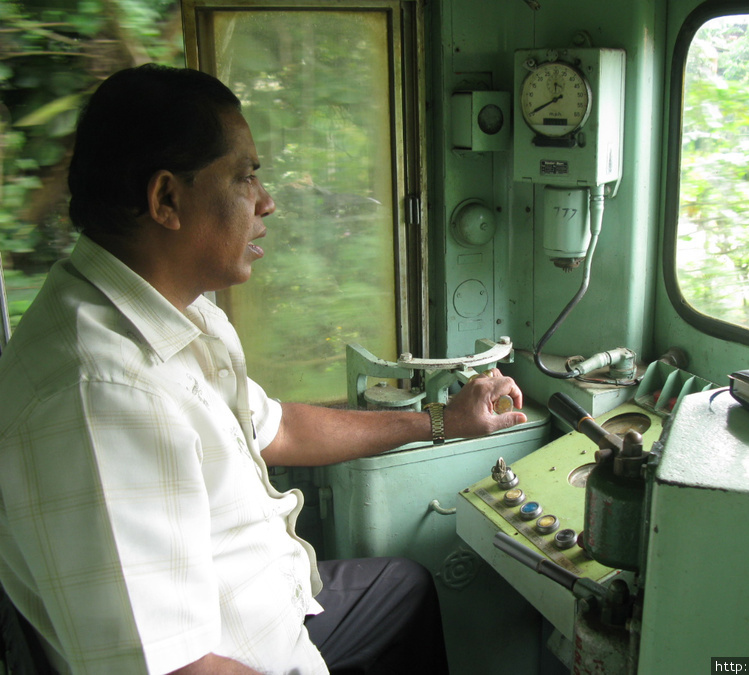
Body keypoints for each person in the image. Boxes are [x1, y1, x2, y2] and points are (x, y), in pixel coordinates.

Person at [0, 64, 527, 675]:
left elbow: (279, 430)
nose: (267, 201)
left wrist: (441, 421)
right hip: (242, 653)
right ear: (166, 199)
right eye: (245, 176)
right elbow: (175, 670)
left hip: (270, 602)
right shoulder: (100, 398)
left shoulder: (172, 309)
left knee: (404, 590)